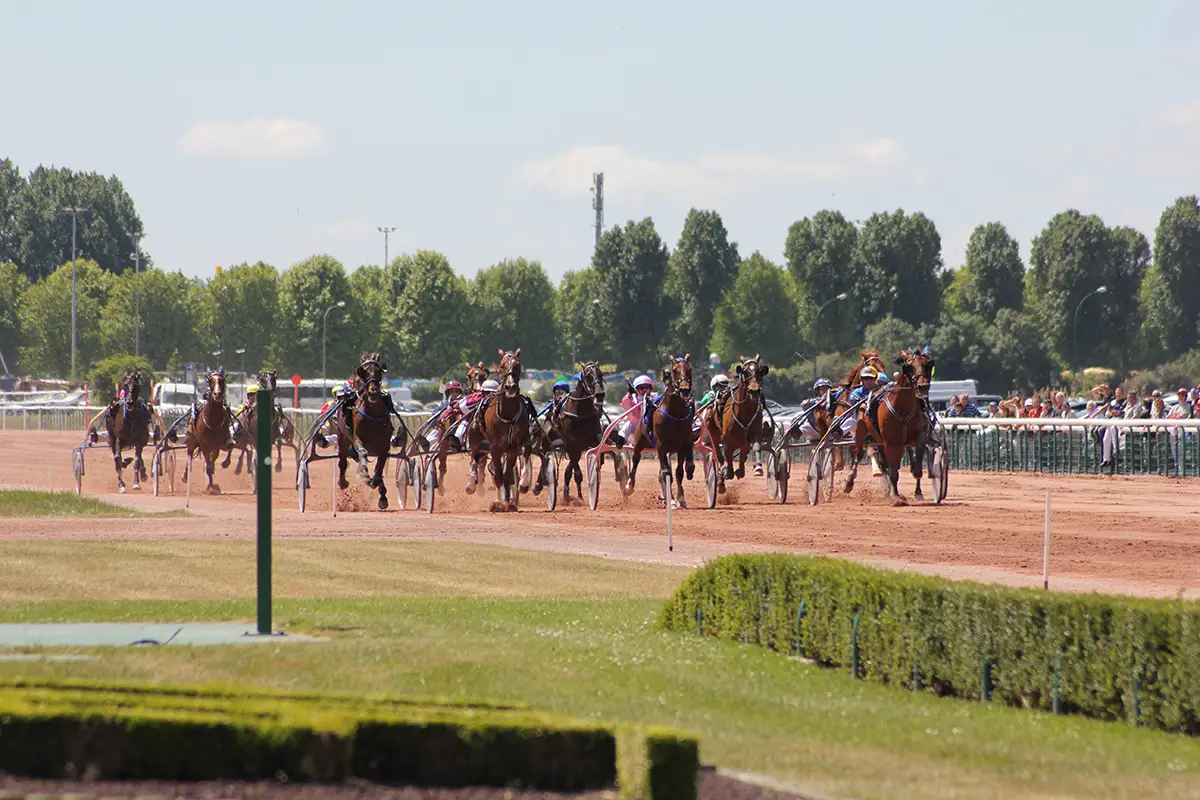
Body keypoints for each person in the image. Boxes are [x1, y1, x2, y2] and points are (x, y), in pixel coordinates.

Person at [614, 375, 654, 446]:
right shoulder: (634, 398)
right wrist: (629, 394)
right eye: (641, 388)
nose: (644, 389)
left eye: (647, 387)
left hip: (650, 423)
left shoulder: (654, 397)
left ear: (650, 389)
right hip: (635, 423)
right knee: (628, 425)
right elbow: (625, 405)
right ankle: (621, 438)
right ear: (636, 389)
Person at [426, 381, 465, 449]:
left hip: (461, 428)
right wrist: (435, 424)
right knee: (430, 438)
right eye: (452, 391)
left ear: (460, 392)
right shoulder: (445, 405)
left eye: (456, 391)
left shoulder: (464, 402)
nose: (454, 393)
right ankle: (426, 445)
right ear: (448, 393)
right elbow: (435, 413)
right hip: (445, 429)